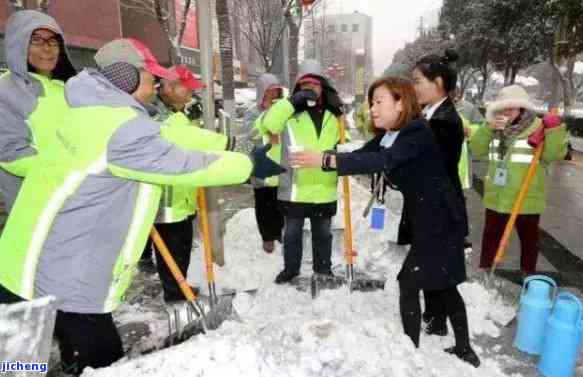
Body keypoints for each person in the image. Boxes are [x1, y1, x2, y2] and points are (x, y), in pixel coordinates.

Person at [0, 38, 282, 375]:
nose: (157, 84)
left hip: (31, 259)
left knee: (25, 361)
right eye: (151, 77)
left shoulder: (93, 113)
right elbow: (180, 163)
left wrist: (228, 145)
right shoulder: (120, 128)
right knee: (96, 362)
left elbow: (171, 139)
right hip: (59, 272)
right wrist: (249, 166)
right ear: (126, 78)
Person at [290, 76, 480, 367]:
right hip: (428, 218)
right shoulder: (390, 134)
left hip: (440, 220)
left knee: (409, 281)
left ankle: (410, 353)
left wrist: (326, 162)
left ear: (401, 102)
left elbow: (382, 161)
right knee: (445, 283)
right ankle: (465, 348)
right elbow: (362, 155)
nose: (373, 110)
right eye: (371, 103)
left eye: (379, 102)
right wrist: (326, 156)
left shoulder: (416, 132)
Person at [141, 64, 237, 301]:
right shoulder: (158, 115)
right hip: (166, 199)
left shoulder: (176, 112)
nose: (192, 94)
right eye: (188, 89)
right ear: (170, 87)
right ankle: (175, 296)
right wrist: (224, 143)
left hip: (181, 197)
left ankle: (179, 287)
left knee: (181, 248)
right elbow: (181, 139)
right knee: (171, 253)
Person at [259, 60, 344, 284]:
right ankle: (291, 269)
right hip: (295, 189)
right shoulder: (288, 114)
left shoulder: (332, 116)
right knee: (292, 234)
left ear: (322, 88)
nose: (309, 89)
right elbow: (269, 123)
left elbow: (342, 144)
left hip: (324, 188)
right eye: (304, 85)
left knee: (323, 235)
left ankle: (323, 270)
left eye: (314, 85)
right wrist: (290, 103)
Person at [470, 85, 567, 276]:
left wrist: (555, 131)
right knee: (491, 236)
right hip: (497, 195)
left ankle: (528, 273)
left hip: (527, 197)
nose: (507, 113)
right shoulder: (494, 128)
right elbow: (477, 149)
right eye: (503, 109)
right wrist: (487, 128)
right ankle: (485, 269)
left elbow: (551, 156)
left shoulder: (538, 129)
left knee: (529, 240)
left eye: (512, 108)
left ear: (522, 109)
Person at [412, 50, 467, 337]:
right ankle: (435, 321)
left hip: (440, 207)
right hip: (433, 204)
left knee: (442, 275)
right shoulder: (432, 115)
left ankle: (460, 341)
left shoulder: (443, 122)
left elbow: (431, 168)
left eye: (419, 81)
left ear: (438, 83)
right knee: (432, 268)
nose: (415, 87)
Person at [0, 10, 76, 214]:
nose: (47, 48)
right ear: (19, 43)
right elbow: (11, 154)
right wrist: (69, 173)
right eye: (36, 40)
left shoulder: (71, 88)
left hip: (75, 200)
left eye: (53, 41)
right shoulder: (6, 91)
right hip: (33, 205)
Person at [243, 73, 285, 253]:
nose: (273, 94)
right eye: (269, 91)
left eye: (276, 90)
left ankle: (280, 233)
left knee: (281, 202)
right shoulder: (253, 112)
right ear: (261, 92)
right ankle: (267, 236)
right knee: (263, 202)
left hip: (281, 164)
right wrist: (268, 134)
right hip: (262, 164)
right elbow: (250, 135)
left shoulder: (284, 109)